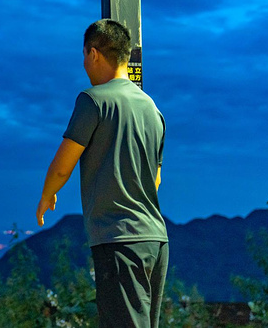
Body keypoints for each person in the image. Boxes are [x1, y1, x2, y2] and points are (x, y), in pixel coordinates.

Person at [36, 19, 168, 328]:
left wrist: (46, 195)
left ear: (93, 53)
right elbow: (156, 179)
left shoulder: (93, 100)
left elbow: (63, 165)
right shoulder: (153, 109)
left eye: (84, 55)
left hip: (119, 239)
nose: (84, 64)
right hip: (156, 240)